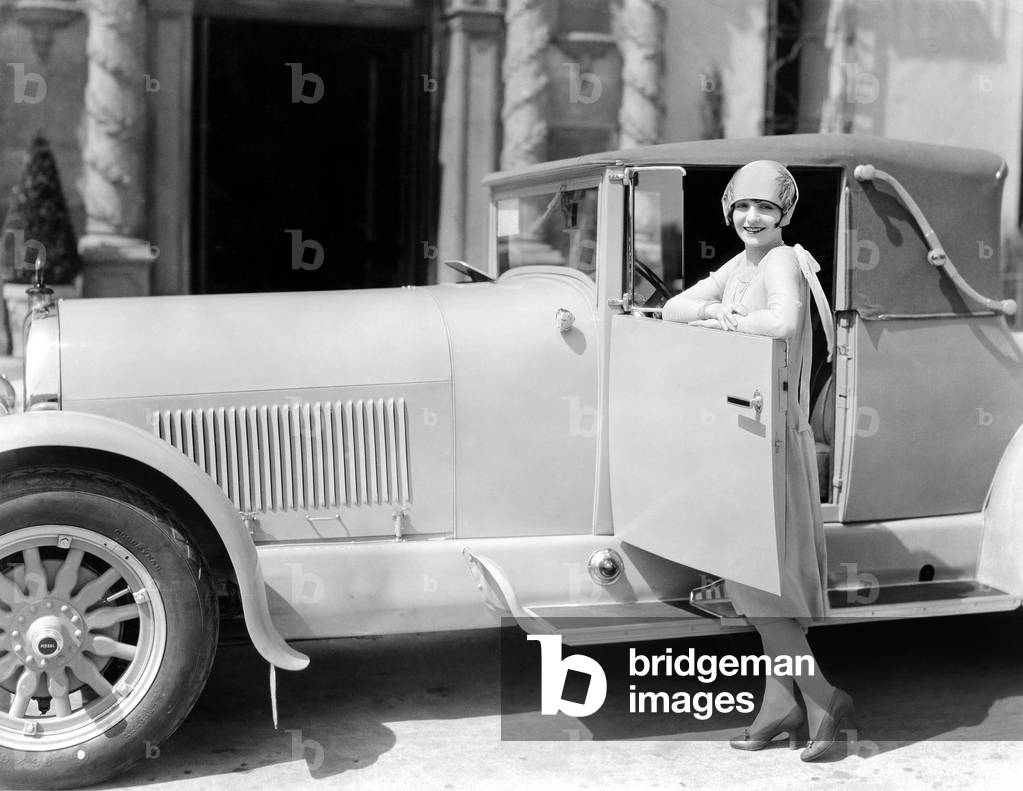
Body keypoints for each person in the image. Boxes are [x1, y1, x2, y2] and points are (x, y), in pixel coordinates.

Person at [661, 160, 856, 762]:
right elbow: (673, 308)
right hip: (747, 431)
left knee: (762, 582)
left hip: (771, 435)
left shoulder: (777, 260)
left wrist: (730, 318)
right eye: (742, 207)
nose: (752, 218)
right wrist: (715, 310)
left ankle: (823, 696)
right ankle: (781, 703)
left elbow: (786, 321)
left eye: (765, 208)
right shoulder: (739, 264)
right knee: (752, 580)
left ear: (784, 214)